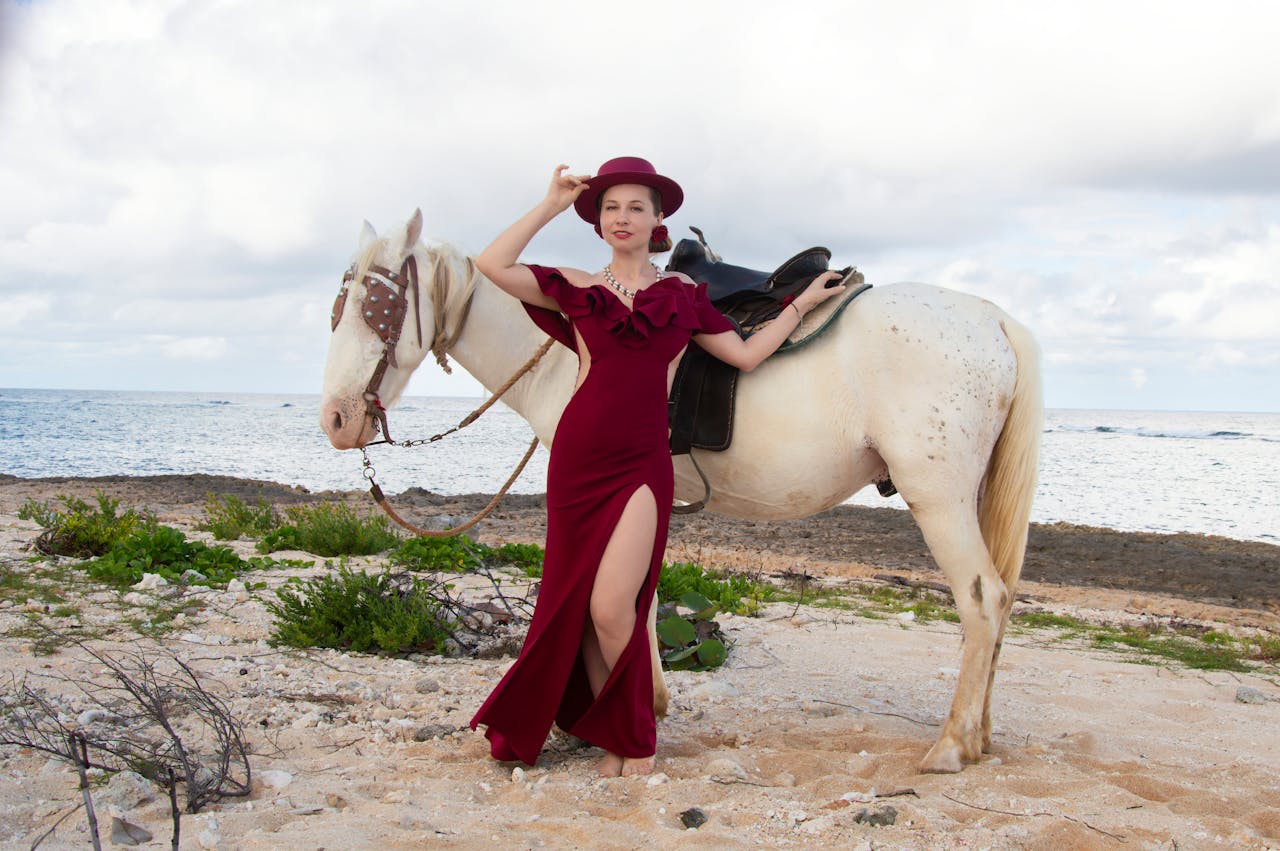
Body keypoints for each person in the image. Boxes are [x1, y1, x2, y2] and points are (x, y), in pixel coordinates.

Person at [469, 156, 845, 777]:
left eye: (636, 207)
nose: (623, 218)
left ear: (657, 219)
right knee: (581, 609)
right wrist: (551, 203)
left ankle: (636, 746)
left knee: (617, 607)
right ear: (598, 222)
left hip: (643, 460)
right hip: (579, 456)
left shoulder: (683, 297)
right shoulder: (577, 287)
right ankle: (609, 737)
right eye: (611, 207)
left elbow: (746, 356)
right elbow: (492, 265)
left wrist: (799, 306)